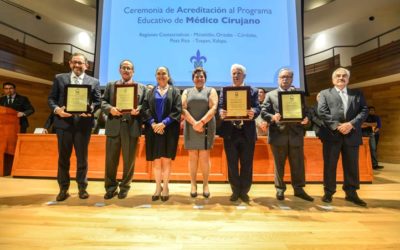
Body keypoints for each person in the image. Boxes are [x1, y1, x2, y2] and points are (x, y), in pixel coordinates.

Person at [48, 52, 101, 202]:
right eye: (75, 62)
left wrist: (90, 109)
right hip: (63, 124)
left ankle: (82, 188)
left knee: (82, 158)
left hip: (83, 125)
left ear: (87, 65)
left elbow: (97, 101)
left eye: (80, 63)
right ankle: (63, 188)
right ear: (70, 63)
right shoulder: (59, 78)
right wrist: (57, 110)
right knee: (63, 158)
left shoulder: (94, 81)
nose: (77, 65)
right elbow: (51, 98)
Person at [260, 68, 314, 202]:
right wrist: (273, 117)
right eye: (282, 77)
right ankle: (280, 189)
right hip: (278, 135)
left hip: (295, 135)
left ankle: (299, 189)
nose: (285, 79)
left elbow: (306, 112)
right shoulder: (271, 95)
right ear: (278, 79)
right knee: (279, 165)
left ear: (292, 79)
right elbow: (263, 112)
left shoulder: (298, 95)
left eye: (288, 77)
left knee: (298, 164)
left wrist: (306, 119)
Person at [318, 67, 369, 207]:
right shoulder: (324, 93)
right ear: (333, 79)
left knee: (352, 166)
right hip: (331, 135)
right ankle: (328, 192)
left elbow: (364, 110)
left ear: (348, 79)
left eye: (344, 76)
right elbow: (321, 112)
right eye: (338, 75)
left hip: (352, 135)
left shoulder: (357, 94)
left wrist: (351, 124)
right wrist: (338, 125)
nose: (341, 78)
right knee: (330, 165)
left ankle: (351, 193)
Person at [101, 60, 147, 200]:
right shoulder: (110, 85)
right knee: (110, 160)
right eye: (124, 67)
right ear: (119, 70)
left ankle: (125, 187)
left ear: (133, 71)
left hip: (131, 126)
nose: (126, 70)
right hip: (114, 125)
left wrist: (138, 110)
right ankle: (110, 187)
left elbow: (145, 104)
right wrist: (111, 109)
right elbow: (103, 102)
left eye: (129, 68)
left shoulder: (142, 88)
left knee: (129, 160)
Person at [218, 64, 260, 203]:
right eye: (234, 73)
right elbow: (220, 107)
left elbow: (257, 107)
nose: (236, 76)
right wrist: (221, 113)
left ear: (244, 76)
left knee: (247, 164)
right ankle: (235, 191)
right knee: (232, 164)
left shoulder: (253, 91)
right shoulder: (225, 91)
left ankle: (244, 191)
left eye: (239, 73)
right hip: (230, 133)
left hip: (247, 132)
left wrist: (253, 112)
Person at [142, 66, 182, 202]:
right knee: (156, 162)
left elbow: (177, 110)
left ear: (168, 76)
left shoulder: (175, 92)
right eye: (158, 74)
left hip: (169, 130)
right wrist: (153, 123)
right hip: (153, 130)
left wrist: (163, 123)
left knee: (166, 161)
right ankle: (157, 187)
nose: (161, 76)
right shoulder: (150, 92)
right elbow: (145, 109)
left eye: (164, 73)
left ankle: (165, 187)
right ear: (155, 76)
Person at [182, 67, 218, 198]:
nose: (199, 78)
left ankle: (205, 184)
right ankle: (193, 184)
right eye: (196, 76)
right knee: (192, 156)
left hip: (206, 126)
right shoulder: (186, 91)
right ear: (193, 79)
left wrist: (201, 123)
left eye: (201, 76)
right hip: (191, 126)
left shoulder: (211, 90)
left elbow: (213, 108)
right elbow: (182, 108)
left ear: (205, 78)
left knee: (204, 156)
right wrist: (194, 123)